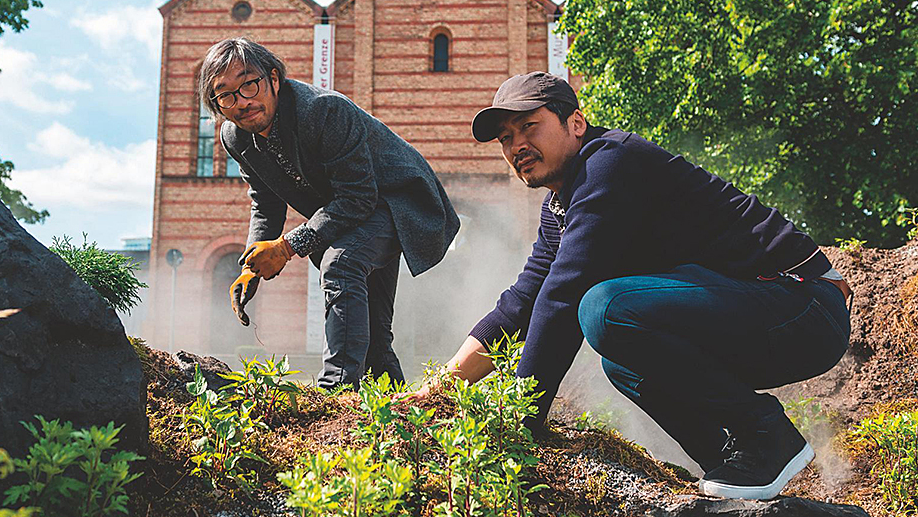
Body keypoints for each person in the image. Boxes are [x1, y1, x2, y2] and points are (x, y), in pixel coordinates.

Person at [420, 71, 852, 501]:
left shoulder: (609, 162)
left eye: (529, 126)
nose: (517, 146)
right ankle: (734, 466)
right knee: (623, 363)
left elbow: (564, 296)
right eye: (505, 138)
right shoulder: (560, 208)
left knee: (604, 310)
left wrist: (519, 419)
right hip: (760, 314)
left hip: (802, 306)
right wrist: (436, 391)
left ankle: (766, 436)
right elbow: (523, 303)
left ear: (575, 123)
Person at [198, 37, 459, 389]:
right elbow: (265, 199)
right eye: (225, 95)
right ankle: (401, 418)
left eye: (248, 84)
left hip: (398, 201)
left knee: (341, 264)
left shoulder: (323, 111)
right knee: (373, 333)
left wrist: (287, 247)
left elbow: (359, 197)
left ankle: (334, 391)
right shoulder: (235, 136)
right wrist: (251, 266)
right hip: (350, 215)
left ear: (274, 80)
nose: (241, 102)